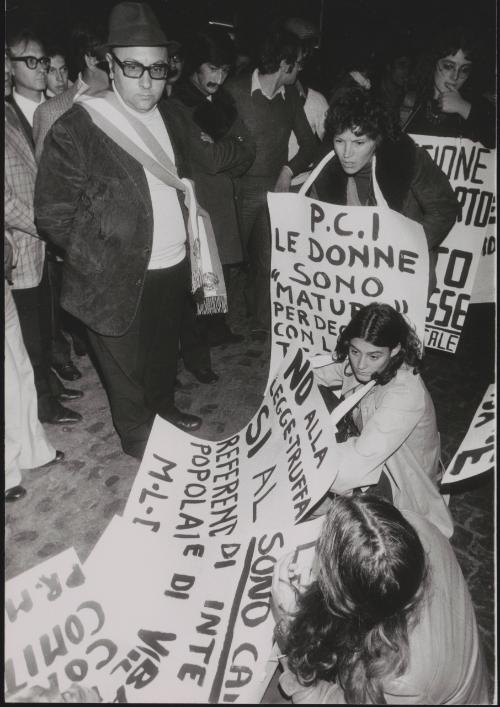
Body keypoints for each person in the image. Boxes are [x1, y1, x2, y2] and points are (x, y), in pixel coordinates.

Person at [35, 1, 221, 458]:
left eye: (156, 70)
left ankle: (164, 408)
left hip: (173, 264)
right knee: (126, 366)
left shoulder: (173, 115)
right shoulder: (79, 126)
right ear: (109, 66)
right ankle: (137, 434)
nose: (146, 81)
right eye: (133, 67)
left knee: (161, 355)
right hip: (113, 274)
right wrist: (102, 254)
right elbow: (52, 214)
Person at [272, 494, 490, 704]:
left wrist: (289, 624)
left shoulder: (398, 680)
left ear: (349, 601)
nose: (317, 567)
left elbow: (325, 699)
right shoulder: (410, 526)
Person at [313, 303, 453, 538]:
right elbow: (316, 373)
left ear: (396, 349)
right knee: (313, 392)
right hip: (371, 447)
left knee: (335, 501)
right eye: (354, 351)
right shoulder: (364, 361)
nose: (360, 364)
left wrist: (309, 470)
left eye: (374, 356)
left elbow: (355, 465)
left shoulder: (405, 393)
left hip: (399, 478)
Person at [311, 87, 458, 294]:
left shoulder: (408, 159)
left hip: (403, 273)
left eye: (359, 142)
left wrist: (405, 248)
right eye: (339, 141)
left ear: (377, 140)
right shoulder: (325, 168)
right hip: (350, 276)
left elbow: (444, 209)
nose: (346, 153)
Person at [5, 41, 83, 426]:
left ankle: (49, 386)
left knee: (46, 320)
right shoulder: (9, 112)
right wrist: (45, 225)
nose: (41, 68)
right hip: (24, 239)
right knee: (29, 331)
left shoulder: (24, 112)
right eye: (29, 61)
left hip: (43, 236)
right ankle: (43, 401)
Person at [225, 26, 318, 341]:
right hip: (235, 191)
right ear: (285, 63)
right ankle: (221, 324)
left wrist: (288, 171)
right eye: (299, 63)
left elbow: (309, 145)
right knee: (230, 262)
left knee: (268, 260)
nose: (301, 70)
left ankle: (262, 321)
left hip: (273, 192)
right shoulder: (233, 91)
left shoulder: (290, 96)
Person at [165, 25, 255, 346]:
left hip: (224, 196)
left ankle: (217, 328)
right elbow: (211, 159)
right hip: (202, 202)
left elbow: (249, 151)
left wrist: (230, 148)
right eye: (212, 68)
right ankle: (198, 340)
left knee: (224, 272)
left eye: (225, 69)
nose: (219, 76)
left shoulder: (222, 99)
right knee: (204, 273)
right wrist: (235, 147)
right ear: (196, 66)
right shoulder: (179, 105)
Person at [402, 27, 495, 148]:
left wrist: (463, 107)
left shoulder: (478, 106)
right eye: (448, 66)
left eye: (464, 70)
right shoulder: (410, 101)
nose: (455, 77)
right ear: (433, 63)